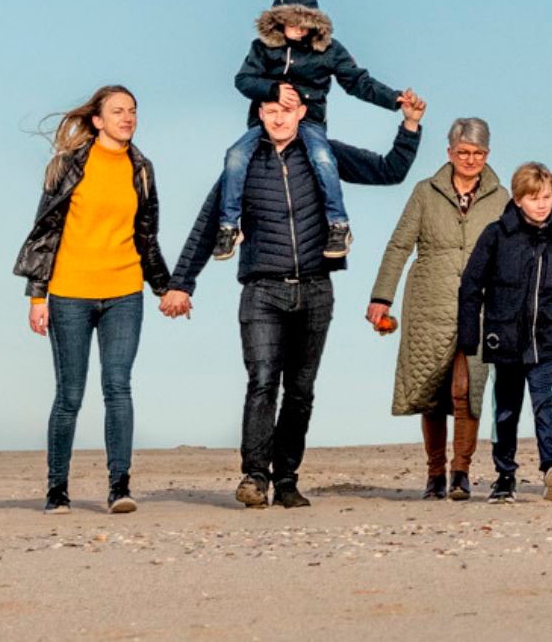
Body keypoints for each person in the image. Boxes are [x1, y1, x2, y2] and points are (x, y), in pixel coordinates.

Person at [166, 85, 425, 510]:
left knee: (301, 390)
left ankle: (286, 478)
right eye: (270, 111)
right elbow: (207, 223)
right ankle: (254, 476)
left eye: (286, 111)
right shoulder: (243, 163)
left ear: (302, 111)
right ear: (260, 115)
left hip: (316, 289)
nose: (279, 119)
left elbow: (389, 170)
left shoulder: (323, 154)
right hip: (262, 289)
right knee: (263, 381)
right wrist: (181, 283)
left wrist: (410, 126)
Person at [14, 85, 172, 514]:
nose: (127, 118)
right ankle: (56, 490)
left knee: (118, 387)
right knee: (70, 395)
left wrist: (166, 288)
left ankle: (119, 487)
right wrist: (36, 297)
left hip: (124, 292)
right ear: (97, 120)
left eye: (133, 111)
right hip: (69, 294)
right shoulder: (67, 166)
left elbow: (147, 237)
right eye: (118, 111)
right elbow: (44, 232)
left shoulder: (141, 168)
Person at [219, 0, 419, 263]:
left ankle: (338, 225)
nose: (301, 28)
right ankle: (228, 227)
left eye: (307, 22)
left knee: (323, 157)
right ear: (278, 20)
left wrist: (395, 100)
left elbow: (358, 82)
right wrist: (273, 91)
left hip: (311, 124)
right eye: (293, 21)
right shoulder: (263, 49)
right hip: (262, 270)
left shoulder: (328, 50)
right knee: (234, 155)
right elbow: (243, 80)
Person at [367, 118, 510, 500]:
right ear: (449, 153)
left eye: (477, 153)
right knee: (432, 390)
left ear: (487, 155)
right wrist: (382, 296)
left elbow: (513, 255)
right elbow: (399, 245)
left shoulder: (502, 198)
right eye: (463, 152)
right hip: (429, 302)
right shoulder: (424, 192)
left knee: (467, 390)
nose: (470, 159)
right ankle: (435, 473)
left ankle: (461, 471)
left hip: (479, 306)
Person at [458, 162, 552, 503]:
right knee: (506, 409)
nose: (542, 204)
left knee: (545, 403)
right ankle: (505, 476)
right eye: (533, 198)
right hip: (505, 339)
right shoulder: (497, 234)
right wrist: (469, 335)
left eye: (546, 196)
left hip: (548, 338)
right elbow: (472, 285)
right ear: (518, 200)